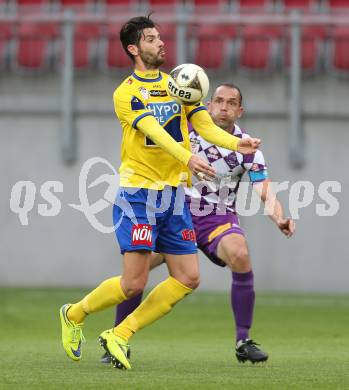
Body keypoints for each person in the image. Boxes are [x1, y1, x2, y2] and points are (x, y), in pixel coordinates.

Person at [59, 16, 261, 370]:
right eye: (151, 39)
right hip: (139, 195)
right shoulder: (126, 93)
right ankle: (74, 313)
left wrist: (237, 143)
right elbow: (156, 131)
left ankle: (120, 334)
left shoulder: (176, 85)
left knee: (188, 277)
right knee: (132, 283)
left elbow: (202, 124)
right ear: (134, 49)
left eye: (159, 37)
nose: (161, 43)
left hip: (173, 197)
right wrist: (189, 158)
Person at [102, 83, 295, 365]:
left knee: (240, 253)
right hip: (175, 211)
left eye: (231, 103)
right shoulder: (185, 130)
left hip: (217, 217)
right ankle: (116, 339)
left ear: (240, 111)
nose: (224, 107)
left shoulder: (247, 146)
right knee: (136, 274)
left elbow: (264, 189)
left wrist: (279, 216)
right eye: (218, 101)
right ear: (207, 104)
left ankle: (243, 341)